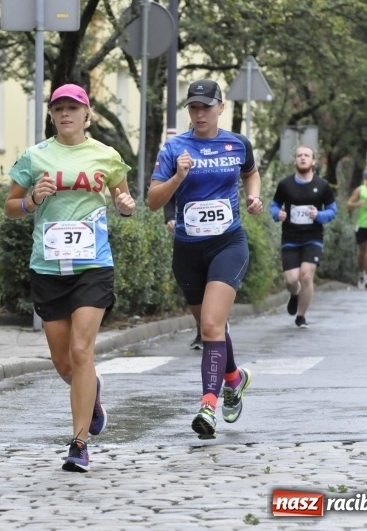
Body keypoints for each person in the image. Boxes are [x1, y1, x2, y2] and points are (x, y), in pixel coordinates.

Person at [4, 83, 134, 472]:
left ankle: (79, 445)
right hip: (48, 267)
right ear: (51, 115)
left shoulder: (106, 156)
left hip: (93, 265)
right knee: (64, 364)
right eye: (58, 108)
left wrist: (125, 205)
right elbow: (11, 208)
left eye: (73, 108)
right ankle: (92, 392)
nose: (65, 114)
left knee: (81, 351)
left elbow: (124, 202)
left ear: (87, 114)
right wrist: (33, 199)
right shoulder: (35, 156)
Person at [147, 79, 261, 439]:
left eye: (206, 107)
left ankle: (208, 406)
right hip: (188, 251)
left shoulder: (237, 143)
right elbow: (153, 200)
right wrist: (178, 176)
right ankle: (234, 378)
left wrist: (254, 196)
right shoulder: (174, 148)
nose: (199, 114)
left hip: (228, 244)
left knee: (211, 325)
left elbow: (250, 173)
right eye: (193, 107)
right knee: (211, 327)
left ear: (220, 108)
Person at [270, 145, 337, 328]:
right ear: (295, 161)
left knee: (306, 276)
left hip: (313, 238)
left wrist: (319, 215)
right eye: (299, 155)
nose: (302, 158)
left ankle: (301, 316)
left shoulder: (322, 186)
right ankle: (295, 294)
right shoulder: (285, 185)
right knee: (292, 280)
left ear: (313, 161)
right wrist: (277, 214)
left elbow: (332, 211)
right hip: (290, 238)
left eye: (307, 155)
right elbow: (274, 205)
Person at [164, 198, 203, 348]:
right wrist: (169, 217)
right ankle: (202, 331)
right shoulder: (181, 180)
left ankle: (213, 325)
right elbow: (169, 195)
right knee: (195, 289)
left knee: (213, 284)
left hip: (219, 238)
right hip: (188, 238)